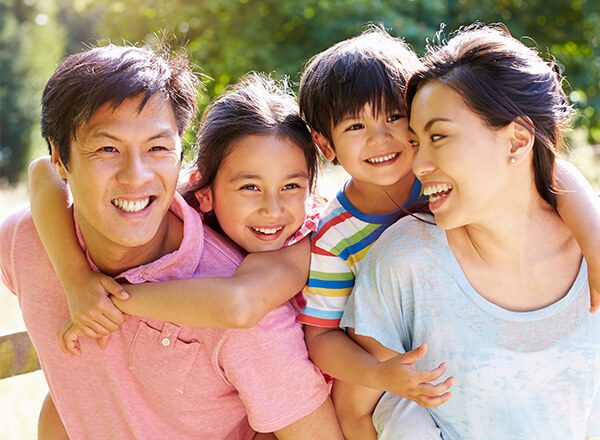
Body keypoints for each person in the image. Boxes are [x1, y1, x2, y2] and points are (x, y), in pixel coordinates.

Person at [1, 46, 340, 439]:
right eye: (108, 148)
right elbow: (40, 173)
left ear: (181, 155)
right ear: (62, 158)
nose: (136, 175)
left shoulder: (249, 313)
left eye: (157, 148)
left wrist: (109, 300)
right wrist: (76, 278)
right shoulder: (29, 240)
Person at [296, 24, 600, 438]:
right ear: (325, 144)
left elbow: (549, 171)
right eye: (355, 127)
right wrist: (382, 375)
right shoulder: (361, 244)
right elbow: (330, 355)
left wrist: (594, 242)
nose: (410, 158)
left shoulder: (443, 181)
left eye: (403, 124)